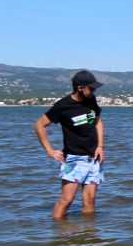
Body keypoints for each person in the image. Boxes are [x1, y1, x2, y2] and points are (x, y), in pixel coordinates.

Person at [34, 70, 106, 219]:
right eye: (91, 88)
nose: (94, 91)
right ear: (80, 87)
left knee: (90, 200)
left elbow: (98, 122)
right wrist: (49, 150)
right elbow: (39, 125)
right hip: (73, 159)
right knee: (67, 200)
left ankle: (89, 237)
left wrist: (100, 146)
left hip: (93, 159)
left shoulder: (91, 100)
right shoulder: (63, 105)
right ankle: (59, 237)